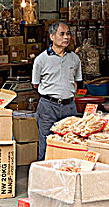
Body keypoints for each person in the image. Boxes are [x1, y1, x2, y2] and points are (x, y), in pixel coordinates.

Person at [32, 22, 82, 161]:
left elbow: (76, 81)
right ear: (52, 36)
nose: (66, 37)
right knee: (46, 144)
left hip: (69, 106)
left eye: (68, 34)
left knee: (70, 143)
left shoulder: (74, 59)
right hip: (48, 106)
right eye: (62, 34)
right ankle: (44, 177)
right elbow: (36, 84)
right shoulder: (41, 59)